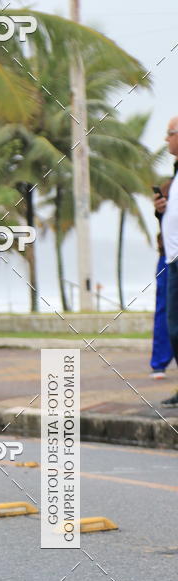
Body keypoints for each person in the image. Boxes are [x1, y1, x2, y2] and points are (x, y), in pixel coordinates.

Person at [155, 121, 178, 405]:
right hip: (172, 258)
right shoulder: (175, 175)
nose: (165, 140)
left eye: (169, 134)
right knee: (174, 328)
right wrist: (160, 210)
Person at [150, 189, 173, 378]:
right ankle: (159, 362)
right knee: (164, 309)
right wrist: (159, 210)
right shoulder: (169, 186)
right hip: (169, 256)